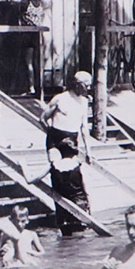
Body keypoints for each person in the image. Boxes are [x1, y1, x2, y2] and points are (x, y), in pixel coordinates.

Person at [35, 71, 94, 236]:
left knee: (73, 177)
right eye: (86, 85)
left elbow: (84, 128)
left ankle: (77, 215)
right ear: (77, 84)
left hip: (72, 140)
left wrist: (89, 151)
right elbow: (42, 118)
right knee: (57, 175)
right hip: (56, 139)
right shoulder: (60, 99)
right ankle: (61, 216)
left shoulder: (84, 102)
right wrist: (51, 134)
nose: (88, 88)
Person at [13, 0, 43, 97]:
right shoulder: (38, 3)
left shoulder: (25, 3)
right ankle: (36, 86)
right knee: (34, 61)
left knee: (27, 61)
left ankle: (30, 87)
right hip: (36, 33)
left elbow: (11, 5)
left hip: (27, 34)